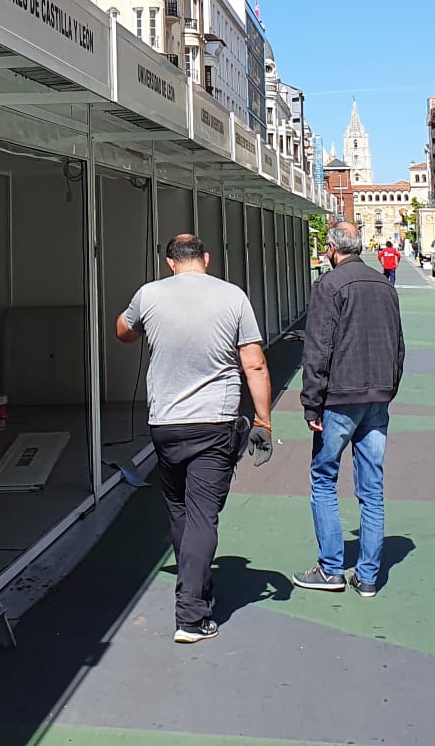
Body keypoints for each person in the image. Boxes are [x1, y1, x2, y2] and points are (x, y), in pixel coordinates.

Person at [116, 233, 273, 644]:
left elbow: (122, 330)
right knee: (204, 513)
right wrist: (264, 421)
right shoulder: (232, 296)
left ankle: (195, 588)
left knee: (179, 509)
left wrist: (139, 327)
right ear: (205, 258)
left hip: (165, 424)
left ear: (170, 262)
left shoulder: (148, 295)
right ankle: (191, 614)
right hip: (215, 422)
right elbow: (253, 363)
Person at [292, 223, 404, 598]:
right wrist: (390, 386)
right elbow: (398, 343)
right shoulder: (384, 286)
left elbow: (318, 348)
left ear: (332, 249)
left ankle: (330, 568)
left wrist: (312, 402)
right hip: (377, 394)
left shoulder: (329, 285)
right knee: (371, 486)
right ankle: (368, 575)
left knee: (324, 477)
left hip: (340, 395)